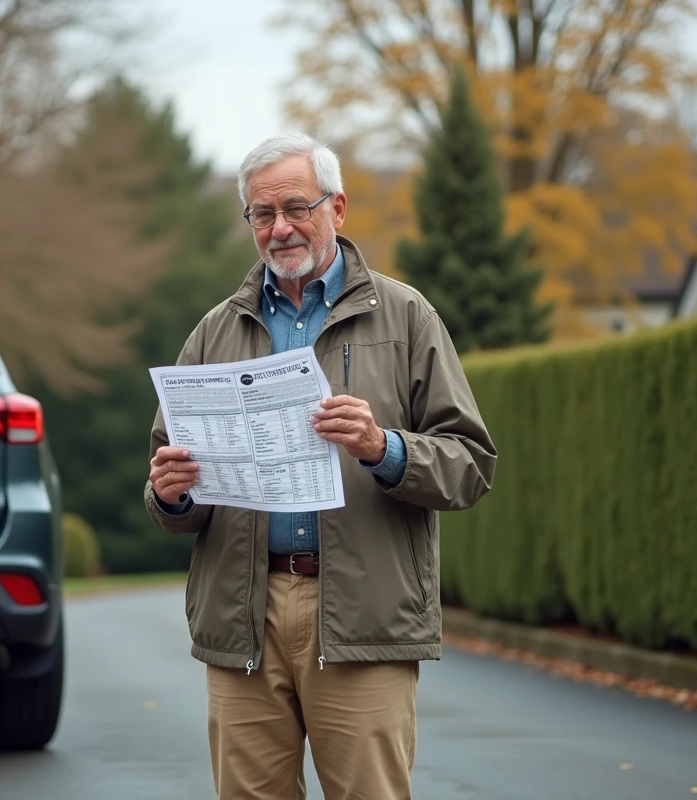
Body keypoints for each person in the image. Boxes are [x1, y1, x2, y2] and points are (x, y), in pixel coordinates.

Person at [143, 132, 498, 800]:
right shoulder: (213, 332)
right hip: (242, 622)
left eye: (296, 207)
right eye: (261, 214)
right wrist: (171, 495)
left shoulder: (407, 316)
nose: (279, 228)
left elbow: (471, 464)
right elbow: (168, 496)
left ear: (337, 209)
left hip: (364, 619)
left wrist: (383, 449)